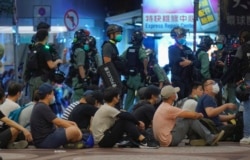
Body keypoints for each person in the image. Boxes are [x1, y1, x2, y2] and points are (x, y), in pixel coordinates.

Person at [153, 85, 225, 147]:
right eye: (175, 93)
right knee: (189, 119)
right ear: (172, 96)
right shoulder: (169, 108)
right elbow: (192, 115)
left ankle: (194, 139)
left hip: (162, 140)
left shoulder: (162, 106)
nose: (176, 94)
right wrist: (199, 115)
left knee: (182, 119)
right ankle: (210, 138)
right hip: (168, 140)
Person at [91, 87, 158, 148]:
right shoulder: (108, 109)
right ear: (114, 98)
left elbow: (125, 114)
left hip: (103, 139)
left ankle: (138, 140)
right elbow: (126, 116)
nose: (119, 97)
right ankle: (143, 141)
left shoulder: (106, 107)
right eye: (118, 96)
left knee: (124, 121)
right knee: (124, 121)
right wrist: (138, 123)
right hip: (104, 141)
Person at [30, 83, 83, 149]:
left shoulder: (40, 105)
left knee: (72, 126)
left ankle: (70, 143)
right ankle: (71, 142)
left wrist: (71, 123)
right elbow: (58, 122)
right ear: (47, 95)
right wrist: (76, 129)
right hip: (44, 141)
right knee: (74, 131)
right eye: (52, 94)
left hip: (49, 135)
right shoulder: (42, 107)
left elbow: (56, 120)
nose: (53, 96)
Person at [222, 31, 250, 144]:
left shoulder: (243, 48)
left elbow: (234, 65)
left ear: (243, 39)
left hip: (248, 80)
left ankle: (247, 136)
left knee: (248, 108)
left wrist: (224, 80)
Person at [28, 29, 63, 100]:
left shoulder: (33, 48)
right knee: (43, 101)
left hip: (33, 79)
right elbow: (51, 65)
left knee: (34, 102)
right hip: (42, 80)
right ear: (46, 37)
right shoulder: (45, 49)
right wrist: (57, 61)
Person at [120, 30, 148, 111]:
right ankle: (140, 112)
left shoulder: (129, 49)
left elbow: (121, 58)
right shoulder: (140, 49)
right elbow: (145, 59)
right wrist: (145, 70)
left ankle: (126, 112)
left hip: (130, 76)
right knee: (140, 96)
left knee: (129, 96)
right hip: (138, 76)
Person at [168, 26, 196, 99]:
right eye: (181, 36)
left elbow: (196, 61)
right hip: (178, 79)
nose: (183, 37)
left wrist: (190, 62)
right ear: (175, 37)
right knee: (178, 98)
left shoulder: (188, 49)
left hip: (189, 79)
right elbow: (179, 62)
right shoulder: (172, 49)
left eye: (184, 36)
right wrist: (190, 62)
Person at [67, 29, 91, 102]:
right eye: (86, 38)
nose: (87, 40)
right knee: (78, 99)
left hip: (75, 78)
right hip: (79, 80)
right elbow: (81, 67)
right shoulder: (80, 51)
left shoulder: (75, 49)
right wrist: (84, 80)